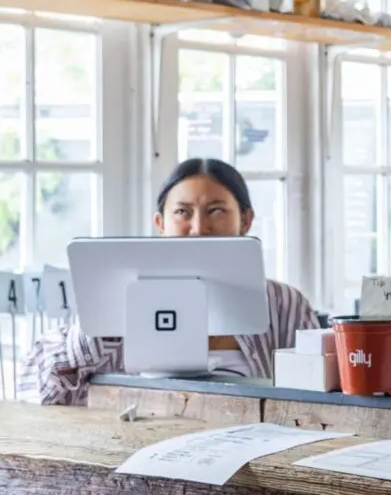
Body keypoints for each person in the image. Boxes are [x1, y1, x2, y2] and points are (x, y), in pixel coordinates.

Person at [31, 158, 319, 405]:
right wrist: (109, 308)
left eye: (216, 210)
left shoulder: (284, 304)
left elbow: (319, 395)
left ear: (246, 220)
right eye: (182, 212)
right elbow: (50, 392)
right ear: (160, 223)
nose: (198, 228)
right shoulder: (128, 295)